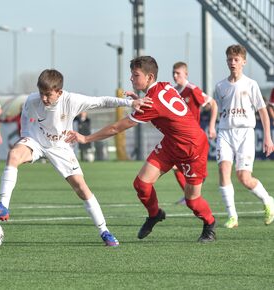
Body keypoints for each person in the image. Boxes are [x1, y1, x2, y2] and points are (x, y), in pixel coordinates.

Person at [0, 69, 152, 246]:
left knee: (82, 188)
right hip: (36, 141)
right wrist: (25, 137)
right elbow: (25, 117)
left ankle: (104, 231)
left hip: (61, 147)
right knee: (14, 154)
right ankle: (3, 205)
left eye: (48, 94)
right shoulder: (33, 100)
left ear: (59, 92)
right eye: (41, 93)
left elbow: (102, 101)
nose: (43, 98)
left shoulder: (71, 100)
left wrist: (130, 102)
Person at [66, 56, 217, 243]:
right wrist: (139, 100)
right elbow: (163, 107)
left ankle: (210, 224)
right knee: (141, 184)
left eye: (135, 75)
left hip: (193, 148)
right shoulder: (164, 85)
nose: (131, 78)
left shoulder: (151, 102)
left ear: (150, 77)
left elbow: (117, 128)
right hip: (172, 143)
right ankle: (155, 214)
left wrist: (86, 138)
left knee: (192, 201)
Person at [209, 45, 274, 228]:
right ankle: (232, 216)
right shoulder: (220, 86)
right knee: (223, 171)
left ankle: (268, 200)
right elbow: (220, 109)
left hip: (245, 133)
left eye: (236, 59)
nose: (232, 63)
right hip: (225, 133)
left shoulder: (251, 84)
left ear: (243, 62)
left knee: (244, 177)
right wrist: (214, 126)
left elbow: (262, 112)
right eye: (230, 59)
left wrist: (268, 137)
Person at [171, 62, 217, 205]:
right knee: (177, 167)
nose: (175, 75)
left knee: (189, 168)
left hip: (192, 137)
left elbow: (213, 103)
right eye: (173, 72)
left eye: (178, 73)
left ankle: (191, 195)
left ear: (186, 74)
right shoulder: (173, 91)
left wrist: (211, 126)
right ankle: (189, 195)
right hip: (178, 137)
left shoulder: (192, 89)